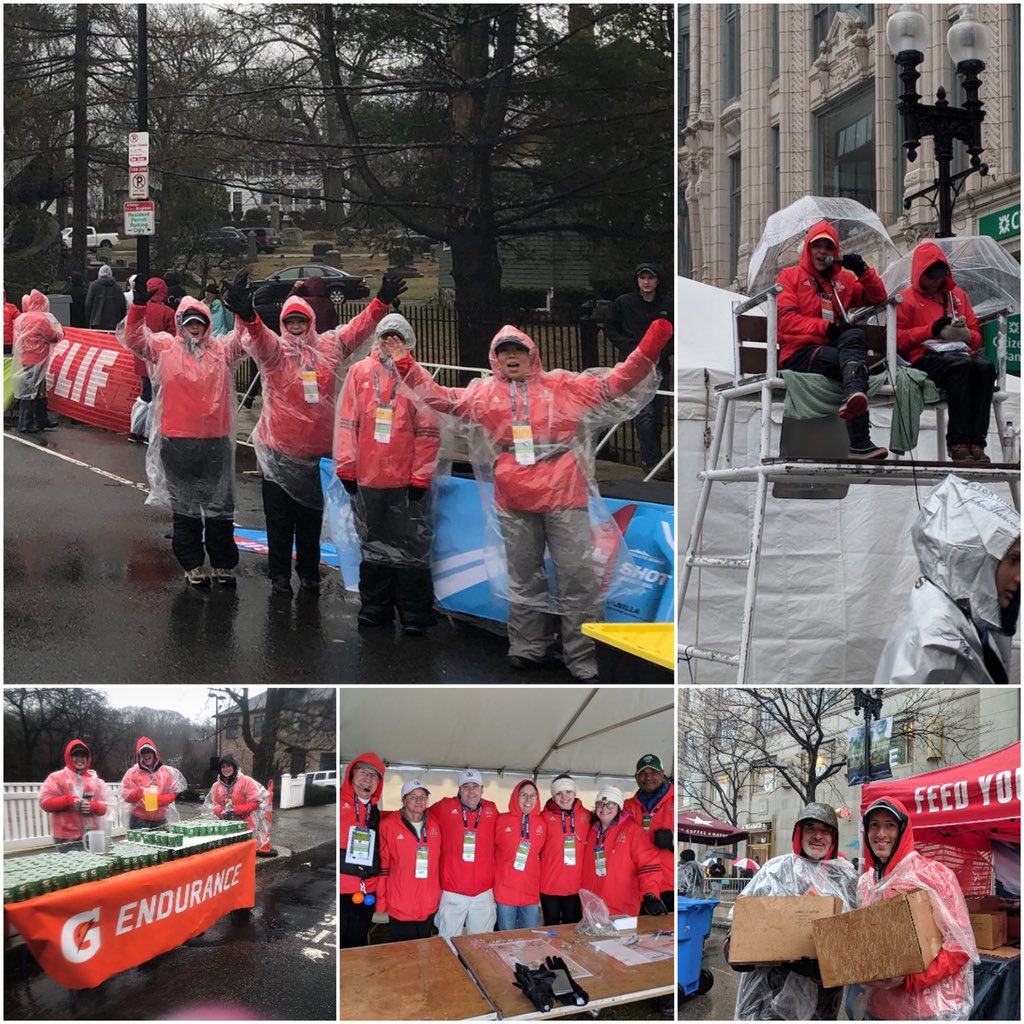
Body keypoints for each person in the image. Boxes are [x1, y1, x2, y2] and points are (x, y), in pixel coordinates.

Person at [386, 315, 673, 680]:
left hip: (564, 496)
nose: (511, 357)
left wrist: (650, 345)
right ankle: (527, 649)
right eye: (503, 351)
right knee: (523, 577)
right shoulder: (484, 393)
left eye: (517, 350)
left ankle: (584, 659)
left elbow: (618, 382)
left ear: (531, 354)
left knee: (578, 578)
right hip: (515, 499)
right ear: (494, 358)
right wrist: (405, 364)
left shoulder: (563, 386)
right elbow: (439, 398)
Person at [224, 273, 403, 597]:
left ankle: (308, 573)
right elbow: (259, 338)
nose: (295, 326)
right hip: (278, 455)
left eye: (301, 320)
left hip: (316, 455)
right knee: (279, 522)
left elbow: (358, 328)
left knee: (310, 521)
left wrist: (381, 302)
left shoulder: (329, 347)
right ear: (283, 323)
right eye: (290, 321)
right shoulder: (276, 352)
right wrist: (248, 317)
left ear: (310, 321)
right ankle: (280, 576)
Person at [118, 278, 246, 586]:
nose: (195, 328)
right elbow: (134, 338)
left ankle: (222, 563)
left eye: (200, 322)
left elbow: (246, 340)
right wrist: (138, 307)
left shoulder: (221, 350)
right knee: (186, 508)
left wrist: (243, 312)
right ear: (180, 324)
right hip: (177, 441)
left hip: (216, 441)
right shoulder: (165, 348)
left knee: (220, 507)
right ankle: (192, 564)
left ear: (207, 324)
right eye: (189, 323)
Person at [336, 313, 440, 630]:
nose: (390, 344)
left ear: (407, 342)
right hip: (368, 477)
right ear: (377, 339)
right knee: (373, 542)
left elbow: (428, 430)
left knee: (411, 546)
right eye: (385, 337)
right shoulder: (359, 373)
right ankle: (375, 606)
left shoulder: (418, 378)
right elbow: (347, 422)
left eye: (397, 338)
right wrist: (346, 466)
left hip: (406, 479)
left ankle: (413, 612)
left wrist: (421, 476)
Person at [874, 475, 1020, 684]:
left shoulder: (972, 616)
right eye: (1013, 560)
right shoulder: (934, 639)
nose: (1020, 577)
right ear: (974, 559)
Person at [727, 802, 857, 1021]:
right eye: (811, 828)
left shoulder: (845, 878)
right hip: (767, 995)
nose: (818, 836)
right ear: (799, 832)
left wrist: (827, 966)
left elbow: (856, 940)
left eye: (825, 830)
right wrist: (734, 947)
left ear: (833, 836)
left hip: (822, 1001)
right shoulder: (775, 870)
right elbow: (743, 918)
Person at [776, 220, 889, 460]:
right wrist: (827, 328)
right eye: (817, 246)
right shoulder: (790, 276)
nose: (822, 251)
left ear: (835, 251)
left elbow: (878, 297)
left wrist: (863, 271)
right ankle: (859, 441)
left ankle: (854, 397)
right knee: (853, 366)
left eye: (828, 247)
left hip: (835, 351)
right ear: (808, 249)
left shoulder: (843, 281)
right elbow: (786, 322)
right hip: (799, 353)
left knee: (854, 336)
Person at [857, 797, 978, 1021]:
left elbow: (961, 947)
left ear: (903, 830)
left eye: (890, 825)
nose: (881, 833)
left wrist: (909, 978)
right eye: (874, 825)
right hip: (879, 1010)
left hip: (929, 1011)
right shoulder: (866, 883)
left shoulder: (933, 875)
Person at [896, 242, 996, 463]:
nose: (935, 281)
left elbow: (976, 336)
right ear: (919, 273)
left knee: (986, 367)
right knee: (961, 367)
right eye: (930, 276)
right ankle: (958, 442)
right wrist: (930, 330)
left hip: (960, 354)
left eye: (940, 275)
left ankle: (977, 442)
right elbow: (897, 340)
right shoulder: (905, 298)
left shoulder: (957, 295)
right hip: (923, 357)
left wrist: (965, 335)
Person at [603, 262, 673, 476]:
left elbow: (676, 333)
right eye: (643, 278)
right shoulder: (624, 303)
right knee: (644, 413)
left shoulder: (667, 304)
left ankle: (655, 459)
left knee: (658, 415)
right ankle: (651, 461)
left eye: (650, 278)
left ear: (657, 281)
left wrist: (662, 352)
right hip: (633, 366)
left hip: (659, 365)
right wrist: (630, 349)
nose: (646, 282)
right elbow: (610, 328)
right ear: (637, 280)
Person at [429, 768, 499, 939]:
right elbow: (417, 816)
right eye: (466, 787)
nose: (471, 791)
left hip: (483, 892)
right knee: (448, 941)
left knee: (481, 943)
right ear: (459, 790)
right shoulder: (444, 806)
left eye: (475, 786)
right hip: (453, 891)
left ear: (482, 789)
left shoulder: (491, 809)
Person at [581, 785, 665, 917]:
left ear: (619, 807)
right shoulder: (591, 831)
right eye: (600, 804)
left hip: (621, 908)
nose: (604, 808)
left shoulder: (633, 831)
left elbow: (648, 865)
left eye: (610, 804)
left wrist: (650, 893)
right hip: (591, 908)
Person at [378, 778, 442, 941]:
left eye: (423, 797)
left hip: (428, 904)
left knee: (424, 949)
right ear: (404, 799)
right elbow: (383, 866)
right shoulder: (388, 825)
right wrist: (381, 902)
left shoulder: (435, 825)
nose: (419, 801)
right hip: (401, 905)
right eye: (413, 797)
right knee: (403, 952)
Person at [339, 753, 387, 949]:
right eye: (363, 772)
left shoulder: (375, 812)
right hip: (341, 889)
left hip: (366, 889)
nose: (368, 779)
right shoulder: (338, 802)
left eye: (374, 775)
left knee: (357, 945)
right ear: (351, 774)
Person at [127, 276, 177, 444]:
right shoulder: (168, 312)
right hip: (161, 361)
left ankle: (135, 430)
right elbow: (174, 337)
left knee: (144, 394)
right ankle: (150, 433)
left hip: (141, 359)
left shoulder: (139, 308)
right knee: (156, 397)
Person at [623, 753, 676, 911]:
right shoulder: (628, 806)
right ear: (636, 777)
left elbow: (692, 839)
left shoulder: (676, 800)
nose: (648, 777)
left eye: (653, 772)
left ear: (662, 773)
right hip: (636, 884)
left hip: (668, 883)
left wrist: (673, 840)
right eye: (643, 773)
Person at [493, 779, 546, 930]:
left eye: (532, 795)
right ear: (515, 797)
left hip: (530, 892)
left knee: (529, 937)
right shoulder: (501, 820)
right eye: (523, 795)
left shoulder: (542, 823)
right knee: (507, 937)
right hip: (505, 892)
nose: (528, 799)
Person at [538, 774, 590, 925]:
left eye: (568, 791)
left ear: (574, 793)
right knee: (551, 929)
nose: (564, 797)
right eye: (559, 793)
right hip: (549, 885)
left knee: (572, 929)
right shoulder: (543, 817)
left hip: (575, 886)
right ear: (553, 797)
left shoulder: (587, 816)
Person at [38, 739, 108, 850]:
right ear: (68, 757)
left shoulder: (96, 781)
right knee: (70, 861)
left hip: (91, 834)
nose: (80, 759)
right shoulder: (56, 778)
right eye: (76, 755)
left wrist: (93, 806)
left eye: (83, 756)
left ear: (88, 758)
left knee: (93, 861)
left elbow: (104, 808)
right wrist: (69, 801)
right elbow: (45, 803)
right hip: (65, 836)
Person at [13, 290, 62, 434]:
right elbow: (53, 336)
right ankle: (26, 423)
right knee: (33, 390)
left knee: (34, 389)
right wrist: (60, 333)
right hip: (38, 358)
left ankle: (40, 419)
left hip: (26, 357)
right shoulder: (41, 320)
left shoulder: (23, 318)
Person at [120, 737, 183, 830]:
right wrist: (140, 792)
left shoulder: (166, 772)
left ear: (154, 753)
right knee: (139, 840)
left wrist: (158, 800)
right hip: (139, 819)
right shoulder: (132, 773)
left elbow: (173, 793)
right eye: (143, 752)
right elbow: (125, 795)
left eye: (149, 751)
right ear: (139, 755)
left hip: (160, 819)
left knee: (162, 840)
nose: (146, 755)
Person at [208, 754, 265, 832]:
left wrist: (235, 810)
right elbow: (214, 805)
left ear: (234, 766)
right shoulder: (216, 786)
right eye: (223, 767)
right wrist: (222, 811)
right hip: (225, 826)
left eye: (228, 766)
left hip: (246, 826)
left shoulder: (246, 781)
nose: (225, 769)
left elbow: (256, 802)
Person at [84, 263, 127, 330]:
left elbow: (88, 304)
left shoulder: (93, 286)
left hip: (96, 322)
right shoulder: (117, 288)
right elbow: (122, 306)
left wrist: (89, 320)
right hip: (113, 323)